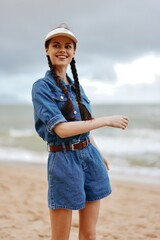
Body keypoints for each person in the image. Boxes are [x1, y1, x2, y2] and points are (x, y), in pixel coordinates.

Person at [32, 23, 129, 240]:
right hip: (63, 160)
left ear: (74, 52)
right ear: (47, 50)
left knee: (89, 234)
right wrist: (105, 121)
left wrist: (98, 152)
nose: (62, 50)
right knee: (60, 237)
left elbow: (84, 126)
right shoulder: (41, 87)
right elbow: (63, 130)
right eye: (56, 45)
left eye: (68, 46)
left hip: (90, 158)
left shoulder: (77, 87)